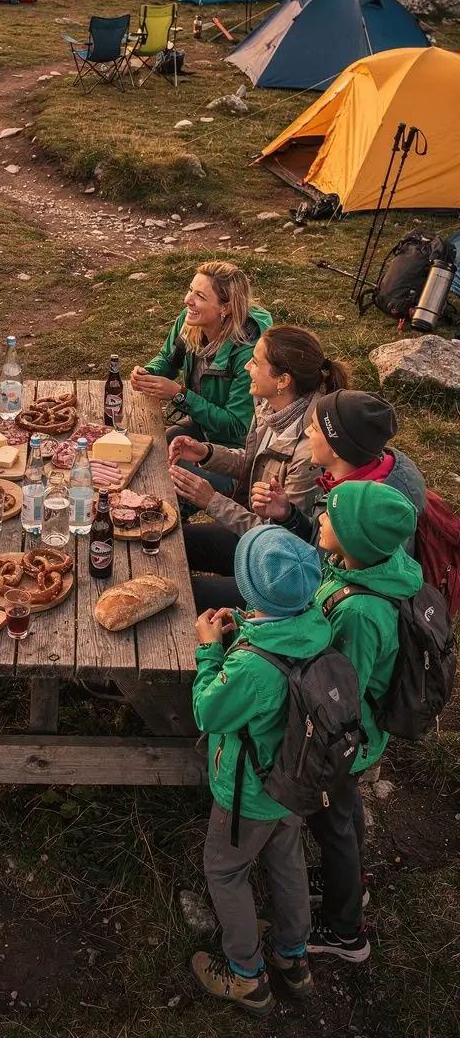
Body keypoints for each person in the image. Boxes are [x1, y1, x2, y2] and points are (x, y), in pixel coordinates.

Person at [191, 527, 328, 1013]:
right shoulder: (314, 625)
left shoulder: (252, 668)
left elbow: (210, 711)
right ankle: (294, 956)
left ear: (249, 589)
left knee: (226, 872)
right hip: (293, 782)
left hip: (248, 792)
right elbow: (279, 636)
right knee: (286, 860)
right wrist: (250, 625)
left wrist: (210, 651)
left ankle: (245, 973)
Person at [307, 482, 421, 963]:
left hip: (348, 738)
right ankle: (349, 879)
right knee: (346, 810)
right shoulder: (378, 570)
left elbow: (340, 690)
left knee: (331, 818)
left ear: (354, 539)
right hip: (362, 734)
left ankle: (346, 930)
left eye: (330, 517)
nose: (319, 520)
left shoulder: (359, 612)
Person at [169, 327, 349, 610]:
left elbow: (287, 543)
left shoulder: (310, 452)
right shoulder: (272, 407)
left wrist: (212, 502)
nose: (246, 366)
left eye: (255, 361)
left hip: (283, 570)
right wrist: (207, 453)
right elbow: (257, 461)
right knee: (177, 541)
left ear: (283, 380)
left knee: (189, 595)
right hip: (257, 532)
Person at [131, 262, 271, 504]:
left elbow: (238, 427)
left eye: (199, 296)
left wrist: (180, 395)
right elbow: (169, 358)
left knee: (166, 487)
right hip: (201, 426)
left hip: (237, 452)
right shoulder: (190, 321)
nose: (187, 300)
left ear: (225, 307)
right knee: (146, 455)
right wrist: (149, 372)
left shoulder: (248, 353)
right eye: (190, 290)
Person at [252, 390, 426, 553]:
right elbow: (317, 540)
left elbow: (321, 571)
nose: (307, 431)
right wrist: (288, 516)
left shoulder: (360, 517)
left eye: (314, 427)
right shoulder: (363, 483)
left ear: (336, 448)